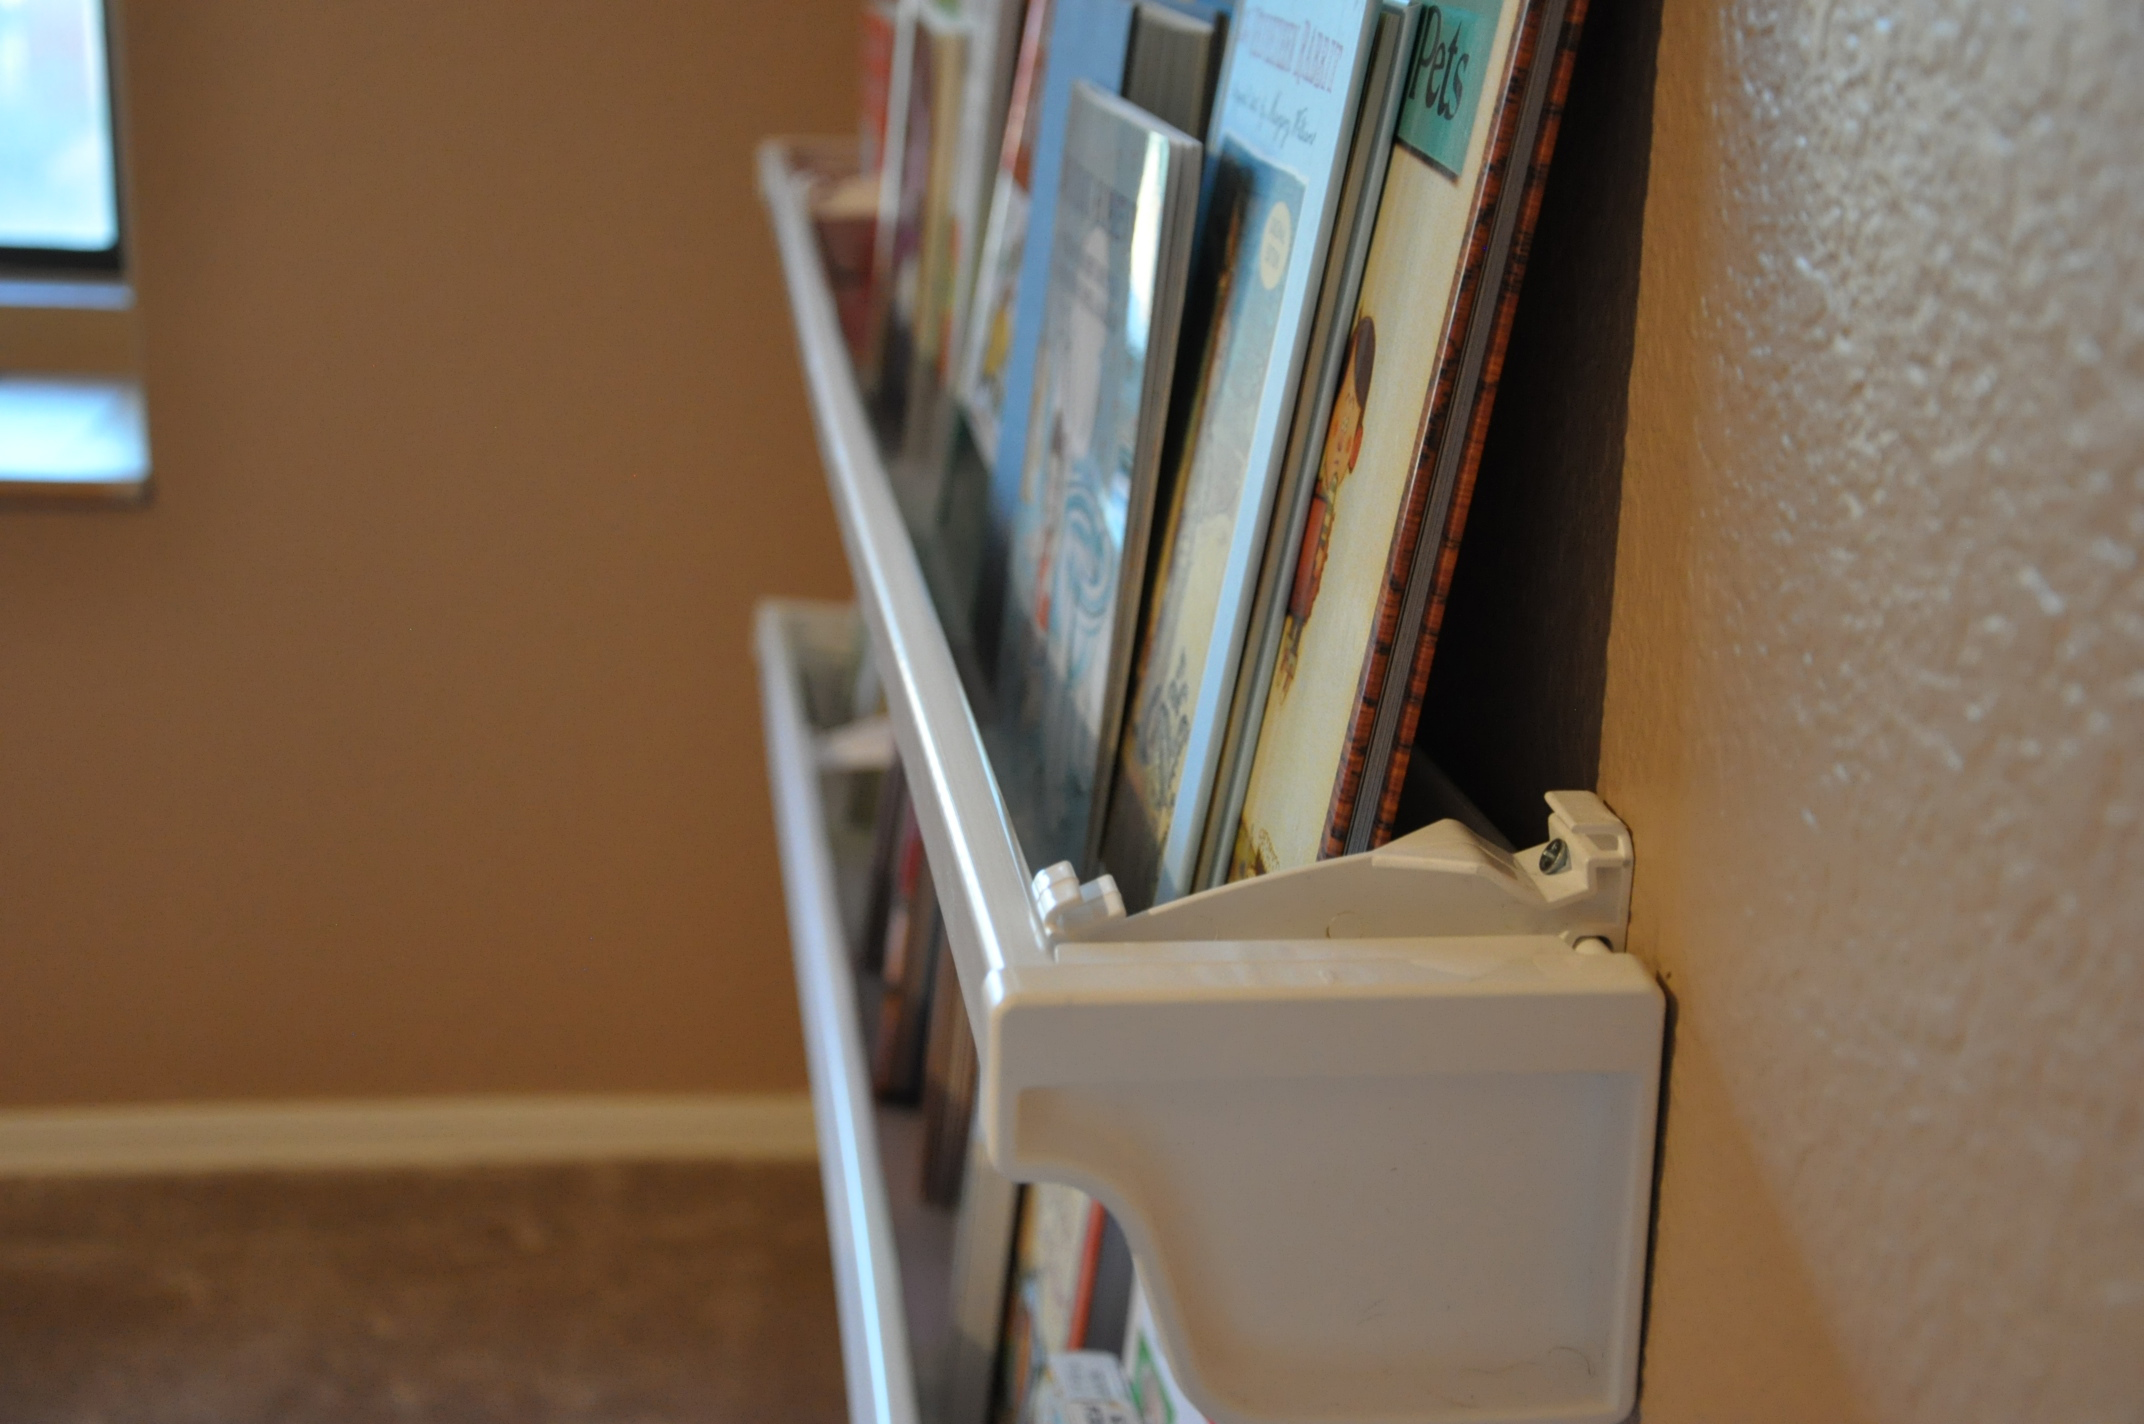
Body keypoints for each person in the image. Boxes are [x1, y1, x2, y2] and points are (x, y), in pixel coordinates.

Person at [1277, 312, 1376, 694]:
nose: (1340, 439)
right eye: (1339, 424)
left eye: (1348, 430)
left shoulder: (1330, 501)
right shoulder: (1317, 496)